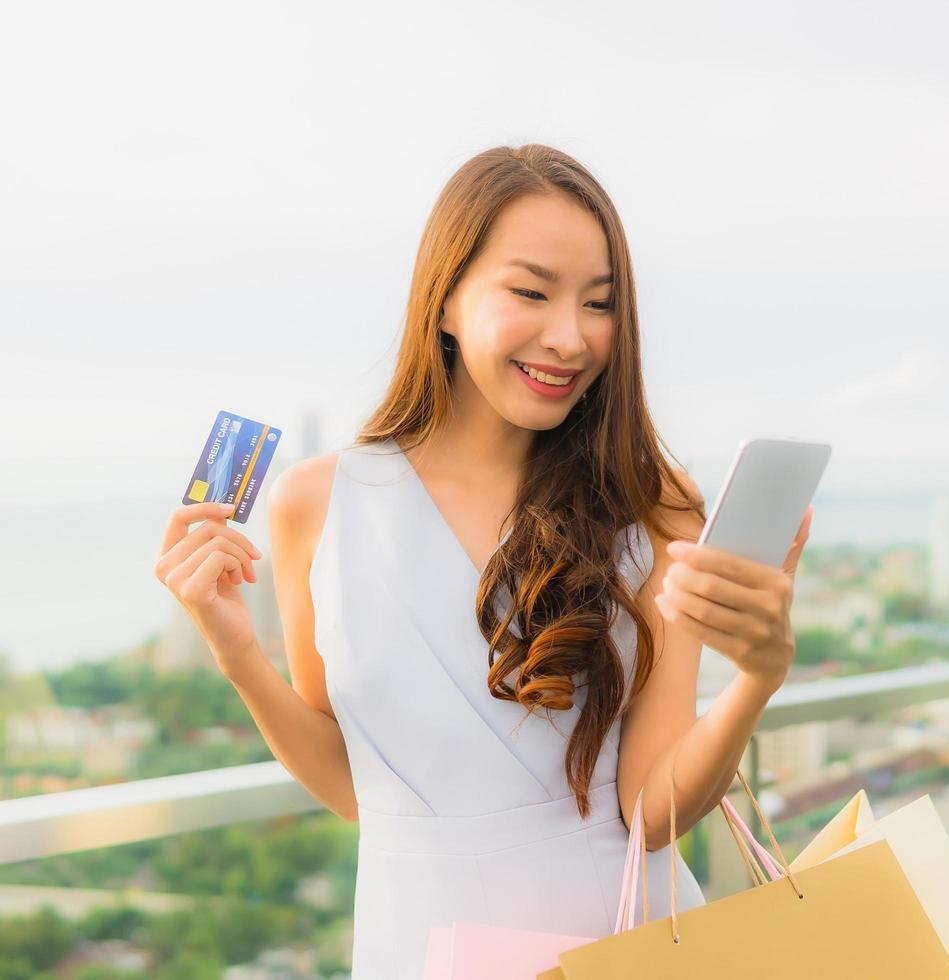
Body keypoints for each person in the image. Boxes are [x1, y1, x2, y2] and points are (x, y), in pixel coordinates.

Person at [154, 143, 813, 979]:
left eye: (600, 303)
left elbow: (652, 813)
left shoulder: (655, 504)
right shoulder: (314, 503)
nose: (571, 337)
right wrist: (237, 655)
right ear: (446, 299)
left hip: (623, 941)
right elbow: (363, 789)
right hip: (414, 941)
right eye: (531, 292)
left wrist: (758, 677)